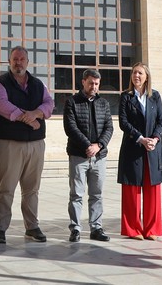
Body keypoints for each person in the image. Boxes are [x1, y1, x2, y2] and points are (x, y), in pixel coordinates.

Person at [0, 45, 53, 244]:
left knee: (32, 189)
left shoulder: (37, 83)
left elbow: (49, 103)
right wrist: (25, 117)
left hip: (35, 144)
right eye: (15, 59)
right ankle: (0, 229)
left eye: (22, 59)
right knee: (6, 188)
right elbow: (0, 104)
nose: (18, 63)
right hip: (9, 143)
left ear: (27, 62)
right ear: (9, 61)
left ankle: (32, 226)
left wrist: (36, 113)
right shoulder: (0, 83)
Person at [117, 62, 162, 240]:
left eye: (139, 73)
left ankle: (152, 229)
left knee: (152, 189)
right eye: (133, 73)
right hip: (133, 148)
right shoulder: (126, 97)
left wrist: (154, 139)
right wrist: (140, 138)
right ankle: (133, 229)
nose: (136, 76)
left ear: (147, 76)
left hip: (153, 149)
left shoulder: (155, 97)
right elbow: (123, 122)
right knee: (132, 190)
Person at [63, 68, 113, 243]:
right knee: (76, 194)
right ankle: (75, 228)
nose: (94, 86)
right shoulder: (72, 102)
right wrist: (87, 146)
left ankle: (96, 228)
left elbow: (109, 127)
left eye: (97, 84)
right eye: (91, 83)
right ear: (83, 82)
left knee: (97, 194)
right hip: (79, 155)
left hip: (99, 157)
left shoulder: (104, 104)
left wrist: (98, 146)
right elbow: (71, 128)